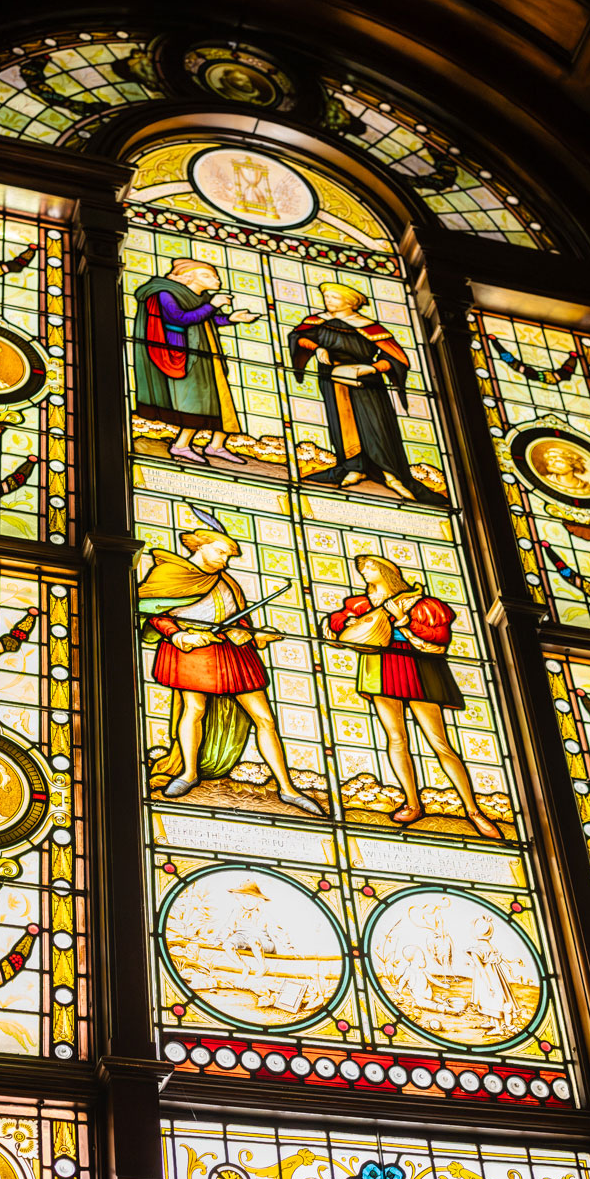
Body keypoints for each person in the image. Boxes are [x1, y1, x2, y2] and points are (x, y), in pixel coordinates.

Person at [138, 509, 322, 815]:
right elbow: (151, 608)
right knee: (193, 710)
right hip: (192, 649)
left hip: (231, 652)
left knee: (265, 718)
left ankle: (287, 789)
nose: (225, 560)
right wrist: (177, 635)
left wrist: (252, 635)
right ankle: (188, 774)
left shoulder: (228, 581)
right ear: (200, 545)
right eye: (221, 552)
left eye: (228, 555)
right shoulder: (169, 574)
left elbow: (238, 616)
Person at [325, 554, 501, 836]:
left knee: (439, 742)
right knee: (396, 737)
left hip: (418, 666)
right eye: (363, 568)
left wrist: (404, 620)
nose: (364, 572)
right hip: (379, 665)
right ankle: (412, 803)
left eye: (370, 567)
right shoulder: (361, 604)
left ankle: (473, 810)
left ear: (386, 571)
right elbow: (336, 623)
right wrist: (345, 624)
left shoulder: (418, 602)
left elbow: (438, 636)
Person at [288, 282, 444, 504]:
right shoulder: (319, 322)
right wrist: (318, 348)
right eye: (327, 297)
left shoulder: (370, 328)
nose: (328, 300)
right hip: (333, 378)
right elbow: (299, 339)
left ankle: (392, 475)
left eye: (333, 297)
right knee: (342, 425)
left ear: (350, 302)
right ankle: (353, 468)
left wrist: (370, 368)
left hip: (366, 379)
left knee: (376, 425)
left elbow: (396, 358)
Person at [132, 258, 260, 465]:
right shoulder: (166, 293)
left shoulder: (203, 297)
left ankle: (216, 445)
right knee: (195, 402)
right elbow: (179, 318)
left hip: (207, 353)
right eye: (208, 275)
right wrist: (212, 305)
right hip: (184, 354)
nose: (216, 280)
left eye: (216, 276)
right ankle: (181, 445)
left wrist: (231, 319)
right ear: (188, 277)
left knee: (220, 399)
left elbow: (206, 319)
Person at [466, 915, 519, 1031]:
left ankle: (498, 1027)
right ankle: (491, 1021)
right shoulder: (491, 947)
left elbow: (481, 968)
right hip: (497, 978)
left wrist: (488, 985)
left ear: (475, 933)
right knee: (494, 998)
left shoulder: (475, 950)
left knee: (491, 1001)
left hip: (486, 978)